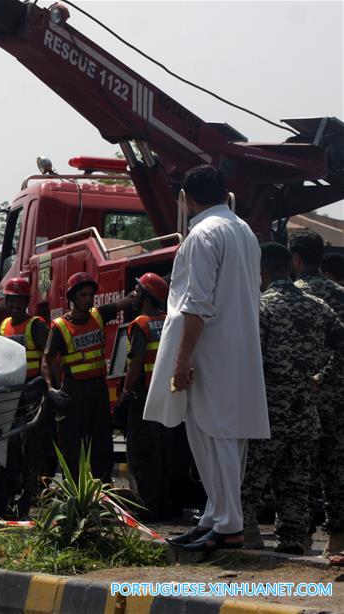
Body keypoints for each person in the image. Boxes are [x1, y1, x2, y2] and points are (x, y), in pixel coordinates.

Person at [144, 165, 269, 553]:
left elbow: (196, 305)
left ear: (187, 198)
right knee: (218, 433)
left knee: (216, 435)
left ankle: (228, 523)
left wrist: (182, 359)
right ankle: (215, 517)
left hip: (209, 349)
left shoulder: (201, 234)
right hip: (238, 348)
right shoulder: (243, 231)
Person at [241, 243, 344, 555]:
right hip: (306, 409)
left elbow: (252, 359)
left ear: (263, 271)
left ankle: (248, 538)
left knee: (253, 479)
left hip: (269, 409)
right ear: (290, 266)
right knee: (296, 481)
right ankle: (294, 539)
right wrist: (321, 377)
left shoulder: (262, 306)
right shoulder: (318, 306)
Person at [42, 272, 135, 483]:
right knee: (71, 445)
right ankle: (73, 494)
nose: (88, 299)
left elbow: (127, 301)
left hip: (98, 390)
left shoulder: (99, 314)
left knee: (103, 442)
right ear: (72, 297)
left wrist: (142, 290)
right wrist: (50, 390)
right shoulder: (59, 327)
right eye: (82, 295)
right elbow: (46, 360)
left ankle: (103, 490)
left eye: (90, 295)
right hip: (73, 391)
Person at [289, 231, 344, 560]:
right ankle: (337, 537)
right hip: (336, 393)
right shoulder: (341, 293)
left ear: (295, 259)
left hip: (297, 396)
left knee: (298, 465)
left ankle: (300, 536)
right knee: (335, 464)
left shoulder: (288, 296)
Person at [115, 272, 174, 521]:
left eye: (138, 291)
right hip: (167, 395)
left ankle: (144, 507)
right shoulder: (169, 321)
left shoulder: (140, 324)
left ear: (148, 296)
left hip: (143, 394)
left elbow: (136, 363)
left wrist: (125, 393)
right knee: (165, 451)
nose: (134, 296)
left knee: (141, 453)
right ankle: (164, 505)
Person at [0, 276, 50, 515]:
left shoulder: (36, 325)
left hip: (33, 392)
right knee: (11, 449)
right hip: (13, 393)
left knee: (31, 449)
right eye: (12, 300)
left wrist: (48, 388)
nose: (15, 305)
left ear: (26, 302)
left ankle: (28, 502)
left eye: (20, 301)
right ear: (6, 301)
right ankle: (9, 498)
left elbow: (50, 357)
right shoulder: (4, 325)